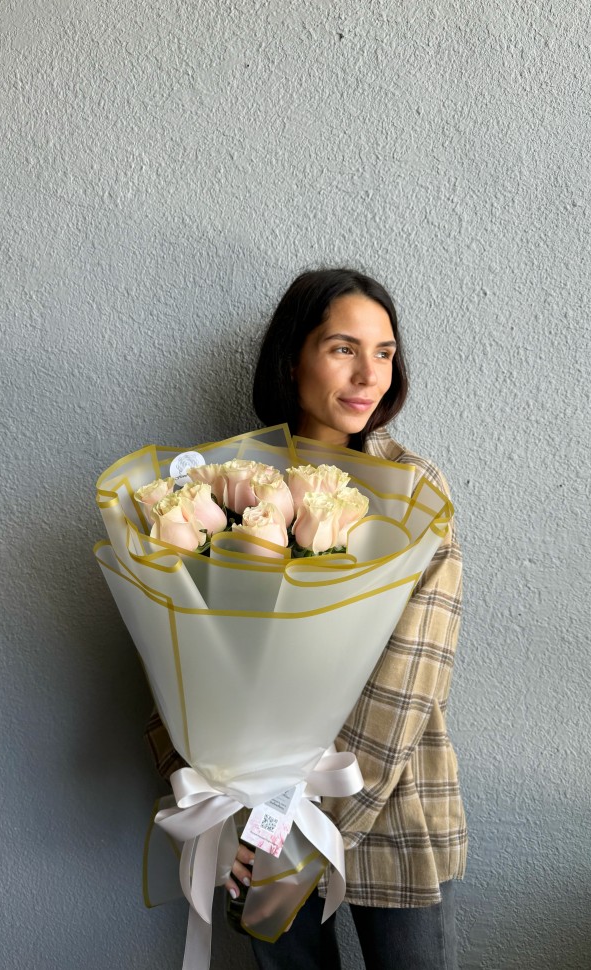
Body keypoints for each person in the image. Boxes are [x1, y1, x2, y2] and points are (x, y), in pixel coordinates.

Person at [146, 268, 467, 970]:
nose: (368, 375)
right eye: (342, 348)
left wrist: (303, 831)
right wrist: (236, 815)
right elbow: (182, 649)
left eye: (384, 353)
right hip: (254, 812)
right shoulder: (224, 487)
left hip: (384, 801)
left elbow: (412, 680)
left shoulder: (417, 492)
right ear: (293, 357)